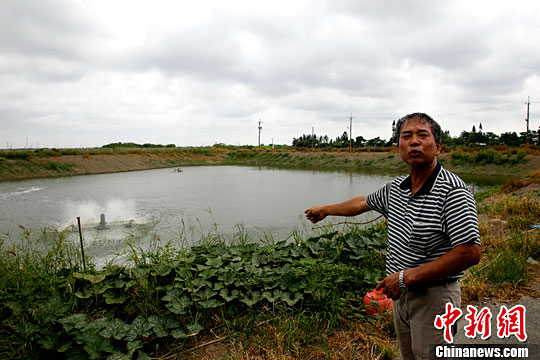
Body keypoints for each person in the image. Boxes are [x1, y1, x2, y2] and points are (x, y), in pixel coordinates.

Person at [305, 113, 481, 360]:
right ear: (399, 146)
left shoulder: (453, 191)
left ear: (438, 146)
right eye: (406, 136)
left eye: (422, 135)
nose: (414, 142)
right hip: (401, 296)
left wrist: (406, 277)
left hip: (435, 298)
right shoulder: (397, 188)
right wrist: (325, 210)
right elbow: (361, 203)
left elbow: (469, 252)